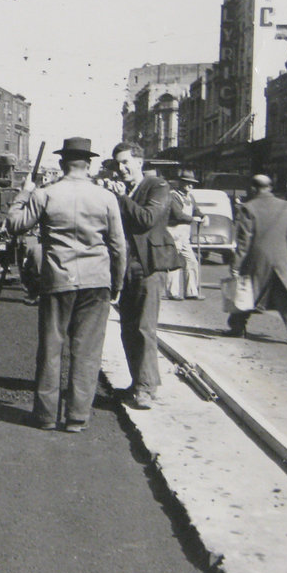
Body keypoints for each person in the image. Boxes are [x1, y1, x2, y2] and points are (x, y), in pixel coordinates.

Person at [6, 137, 126, 432]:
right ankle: (76, 418)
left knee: (51, 348)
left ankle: (46, 416)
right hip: (96, 281)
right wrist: (118, 281)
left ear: (62, 163)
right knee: (86, 352)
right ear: (89, 164)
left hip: (58, 280)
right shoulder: (106, 198)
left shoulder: (46, 194)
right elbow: (118, 246)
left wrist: (23, 194)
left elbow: (14, 225)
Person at [104, 142, 180, 410]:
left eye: (125, 162)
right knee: (127, 328)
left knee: (144, 328)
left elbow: (147, 219)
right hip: (125, 266)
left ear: (139, 161)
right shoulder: (124, 189)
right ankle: (137, 383)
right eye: (118, 164)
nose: (121, 168)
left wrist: (121, 199)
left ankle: (147, 388)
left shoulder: (156, 186)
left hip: (149, 265)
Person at [227, 174, 287, 344]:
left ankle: (237, 326)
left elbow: (244, 242)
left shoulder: (248, 208)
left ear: (253, 188)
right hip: (281, 259)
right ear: (270, 187)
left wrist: (236, 265)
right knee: (284, 295)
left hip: (257, 260)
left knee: (247, 293)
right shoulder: (286, 207)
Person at [165, 169, 204, 301]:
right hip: (173, 233)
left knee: (191, 261)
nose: (190, 186)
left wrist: (203, 216)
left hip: (184, 236)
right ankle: (172, 292)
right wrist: (193, 219)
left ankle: (191, 291)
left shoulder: (190, 197)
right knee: (174, 263)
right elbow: (177, 214)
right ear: (181, 182)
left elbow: (197, 211)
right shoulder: (173, 196)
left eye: (192, 183)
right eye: (187, 183)